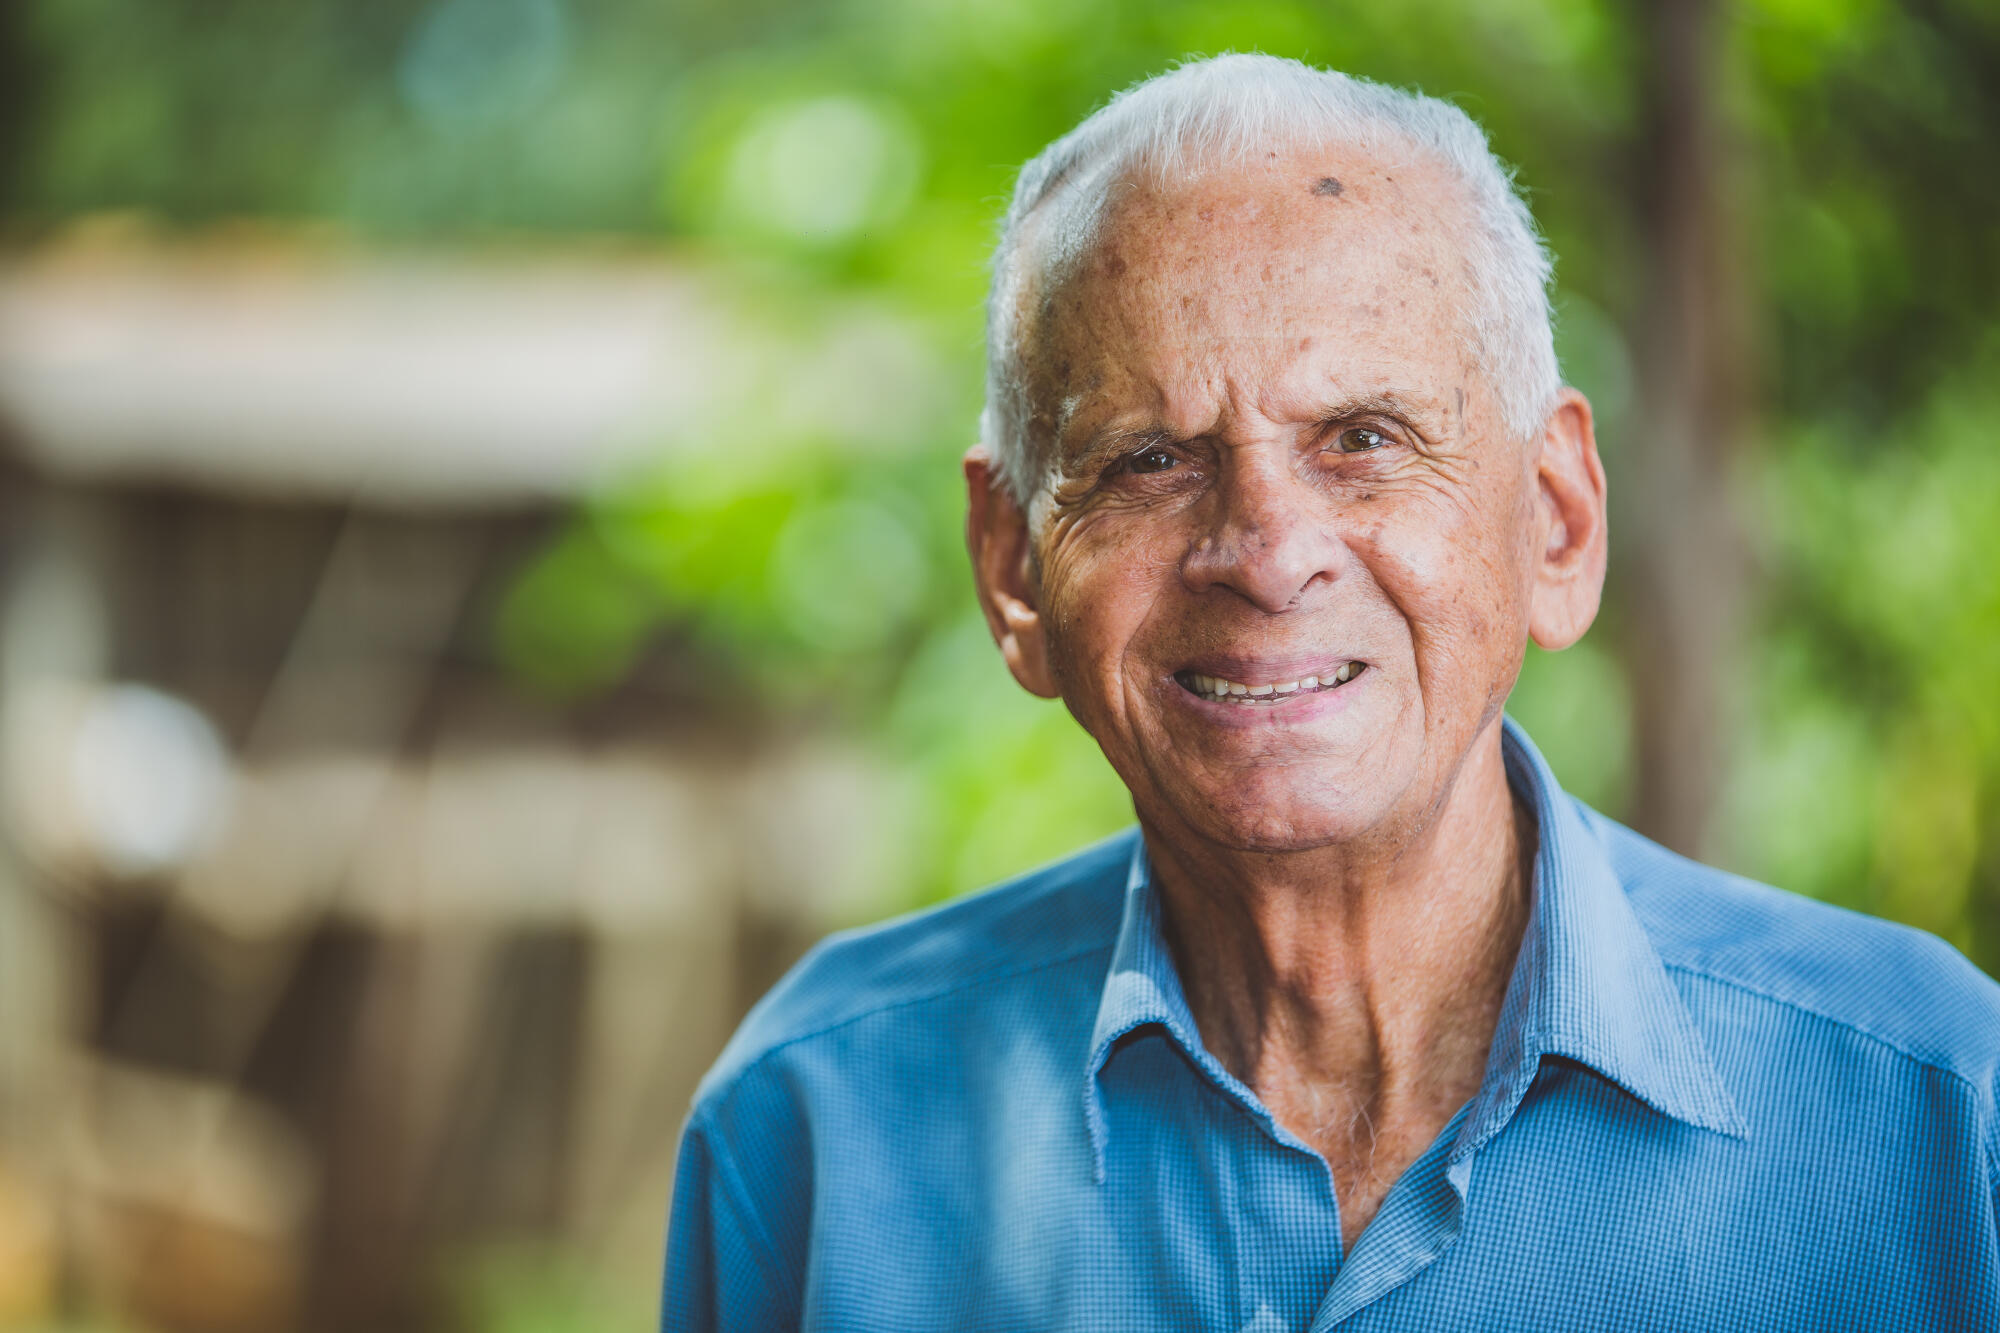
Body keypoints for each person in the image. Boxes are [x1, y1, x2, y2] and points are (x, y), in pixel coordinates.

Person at [662, 54, 2000, 1331]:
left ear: (1556, 520)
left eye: (1362, 440)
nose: (1266, 550)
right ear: (1014, 567)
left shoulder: (1937, 1114)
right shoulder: (817, 1131)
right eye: (1147, 459)